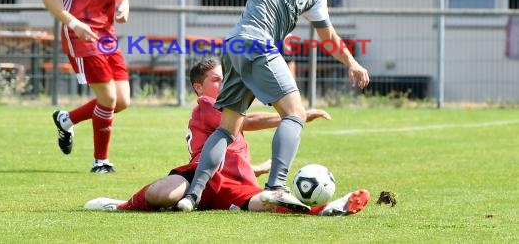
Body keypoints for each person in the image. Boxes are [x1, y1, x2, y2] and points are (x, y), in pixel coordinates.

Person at [176, 0, 370, 212]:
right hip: (255, 42)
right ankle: (277, 187)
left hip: (236, 46)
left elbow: (329, 38)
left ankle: (191, 196)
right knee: (294, 113)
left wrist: (351, 62)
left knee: (228, 127)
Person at [83, 58, 370, 215]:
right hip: (199, 177)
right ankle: (121, 205)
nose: (224, 83)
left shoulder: (231, 109)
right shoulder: (207, 105)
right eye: (216, 80)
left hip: (233, 182)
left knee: (264, 202)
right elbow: (249, 123)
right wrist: (294, 116)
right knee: (162, 193)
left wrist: (256, 168)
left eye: (225, 77)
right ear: (199, 88)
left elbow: (234, 152)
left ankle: (321, 210)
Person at [42, 0, 131, 173]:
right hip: (80, 35)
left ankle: (66, 120)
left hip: (106, 34)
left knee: (123, 100)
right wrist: (75, 23)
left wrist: (125, 4)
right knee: (108, 99)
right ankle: (101, 161)